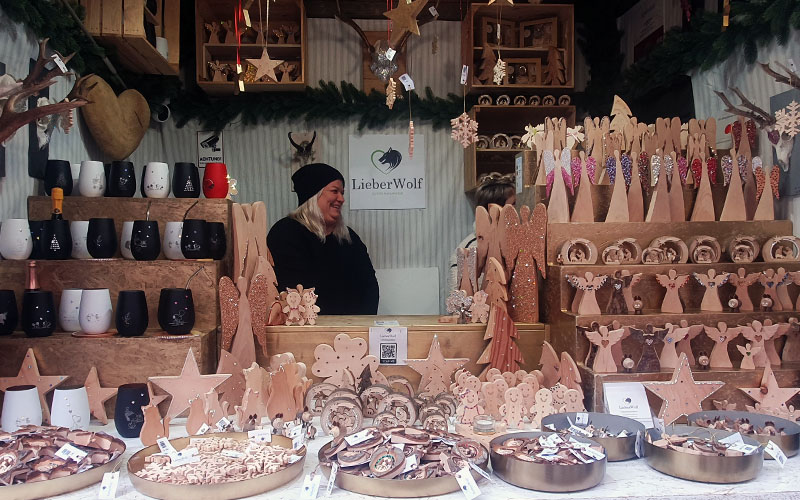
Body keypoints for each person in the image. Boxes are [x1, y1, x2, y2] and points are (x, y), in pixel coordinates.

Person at [267, 163, 379, 315]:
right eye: (335, 191)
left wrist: (362, 324)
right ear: (314, 195)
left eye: (342, 192)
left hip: (352, 330)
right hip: (304, 330)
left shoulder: (349, 238)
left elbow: (369, 285)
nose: (341, 199)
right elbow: (290, 289)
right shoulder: (285, 233)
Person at [447, 172, 516, 295]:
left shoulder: (513, 242)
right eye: (512, 207)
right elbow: (460, 304)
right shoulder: (469, 249)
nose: (516, 213)